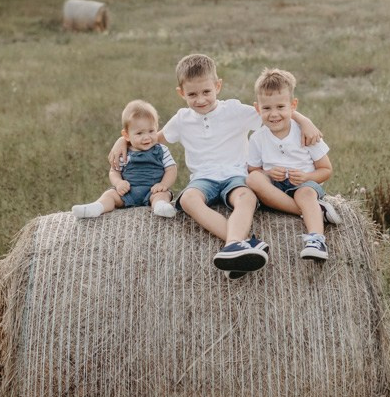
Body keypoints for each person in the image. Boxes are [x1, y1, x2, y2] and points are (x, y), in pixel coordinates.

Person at [107, 53, 322, 278]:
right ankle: (239, 245)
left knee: (246, 198)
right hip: (203, 178)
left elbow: (273, 111)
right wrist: (122, 140)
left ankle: (233, 246)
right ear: (181, 93)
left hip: (235, 174)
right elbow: (153, 138)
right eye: (192, 94)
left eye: (206, 92)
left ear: (218, 86)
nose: (200, 99)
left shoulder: (235, 110)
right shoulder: (181, 119)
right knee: (189, 200)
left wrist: (304, 121)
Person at [245, 67, 339, 261]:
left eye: (280, 107)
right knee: (253, 178)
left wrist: (307, 177)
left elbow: (326, 170)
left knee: (304, 193)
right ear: (257, 108)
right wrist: (269, 173)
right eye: (267, 108)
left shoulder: (306, 133)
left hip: (305, 185)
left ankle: (316, 239)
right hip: (276, 188)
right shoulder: (257, 138)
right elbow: (254, 169)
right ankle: (314, 211)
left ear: (293, 105)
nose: (274, 114)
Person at [73, 100, 177, 220]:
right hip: (127, 193)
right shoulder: (123, 152)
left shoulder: (161, 150)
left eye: (151, 131)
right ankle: (96, 207)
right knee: (110, 194)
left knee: (163, 195)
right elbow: (114, 171)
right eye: (139, 133)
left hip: (153, 191)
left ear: (157, 128)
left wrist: (163, 184)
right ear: (126, 135)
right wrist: (118, 183)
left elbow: (171, 169)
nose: (147, 137)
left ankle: (160, 206)